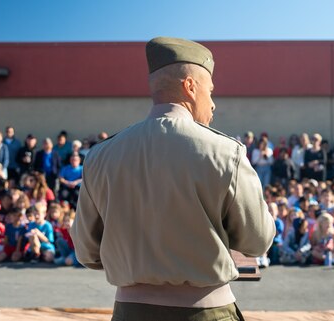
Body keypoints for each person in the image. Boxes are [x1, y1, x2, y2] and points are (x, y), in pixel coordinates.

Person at [72, 37, 274, 321]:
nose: (213, 104)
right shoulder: (226, 152)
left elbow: (87, 251)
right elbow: (258, 241)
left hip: (131, 311)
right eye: (210, 91)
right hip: (206, 311)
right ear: (190, 86)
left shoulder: (101, 156)